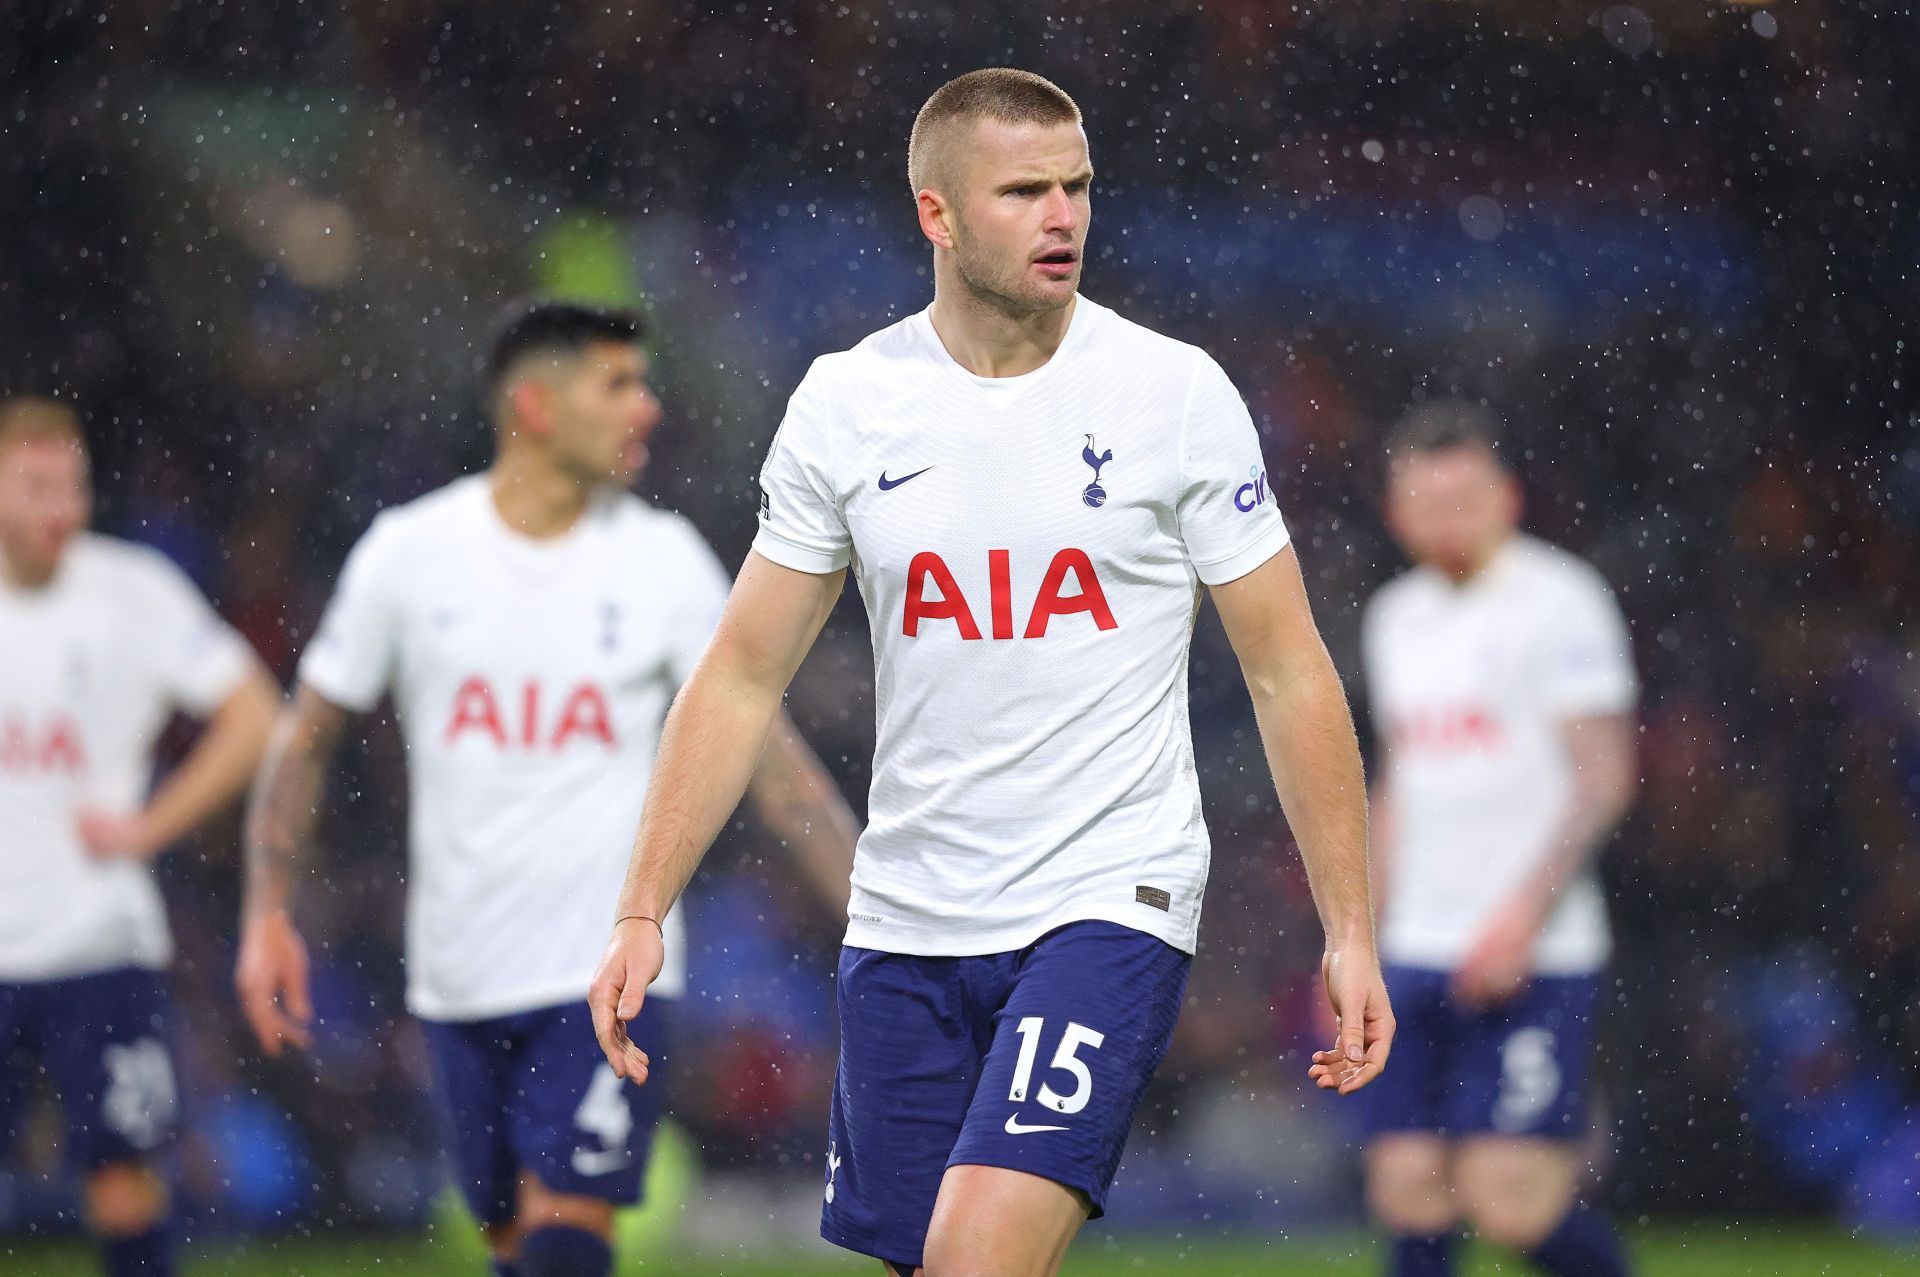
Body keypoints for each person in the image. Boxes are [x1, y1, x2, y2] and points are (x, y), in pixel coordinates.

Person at [588, 68, 1392, 1277]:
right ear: (938, 215)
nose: (1063, 214)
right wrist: (644, 904)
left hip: (1106, 898)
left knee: (975, 1262)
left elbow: (1288, 669)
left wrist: (1350, 921)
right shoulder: (848, 405)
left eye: (1076, 186)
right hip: (907, 914)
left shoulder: (1171, 394)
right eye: (1024, 191)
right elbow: (742, 677)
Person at [234, 300, 860, 1277]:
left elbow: (773, 768)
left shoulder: (663, 561)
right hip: (457, 977)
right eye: (618, 385)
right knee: (513, 1242)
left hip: (603, 973)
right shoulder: (411, 553)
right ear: (533, 403)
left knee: (569, 1233)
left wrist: (878, 914)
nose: (646, 409)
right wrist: (268, 908)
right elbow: (305, 736)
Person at [1357, 402, 1640, 1277]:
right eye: (1428, 502)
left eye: (1466, 498)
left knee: (1508, 1194)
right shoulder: (1394, 616)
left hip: (1539, 947)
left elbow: (1603, 776)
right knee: (1407, 1181)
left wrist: (1522, 913)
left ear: (1507, 498)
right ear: (1397, 512)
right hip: (1416, 941)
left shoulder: (1561, 600)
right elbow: (1400, 778)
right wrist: (1356, 930)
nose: (1449, 519)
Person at [0, 397, 279, 1276]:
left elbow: (254, 713)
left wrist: (148, 826)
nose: (60, 507)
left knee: (123, 1179)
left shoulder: (132, 590)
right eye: (36, 485)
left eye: (72, 484)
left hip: (99, 937)